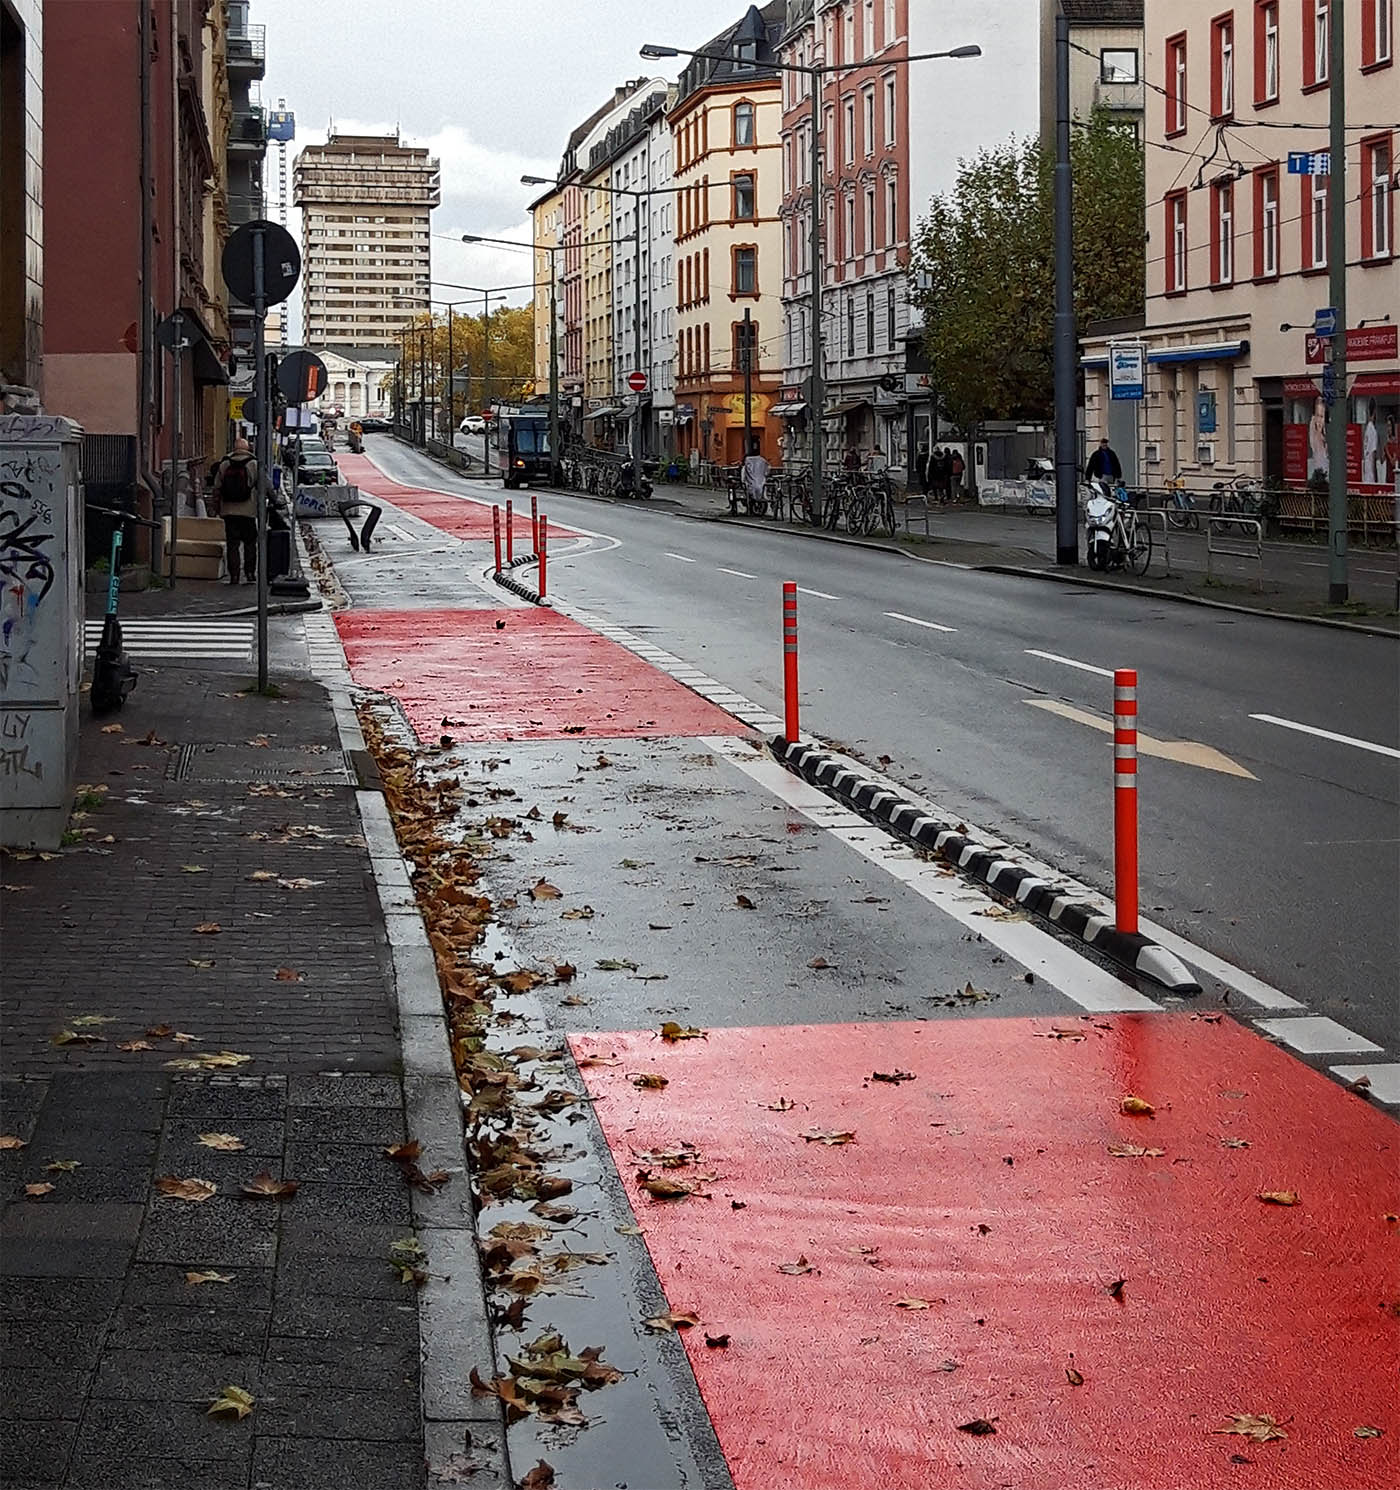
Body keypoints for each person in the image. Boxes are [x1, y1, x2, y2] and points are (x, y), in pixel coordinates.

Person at [213, 436, 258, 585]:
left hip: (229, 511)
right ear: (247, 449)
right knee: (250, 543)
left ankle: (234, 576)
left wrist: (216, 508)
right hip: (248, 511)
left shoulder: (225, 464)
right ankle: (250, 573)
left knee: (233, 544)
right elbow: (265, 485)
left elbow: (217, 488)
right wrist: (276, 501)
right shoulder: (253, 464)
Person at [741, 441, 770, 508]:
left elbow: (743, 477)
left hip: (752, 483)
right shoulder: (762, 460)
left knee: (751, 489)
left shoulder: (748, 462)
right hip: (761, 482)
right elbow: (767, 470)